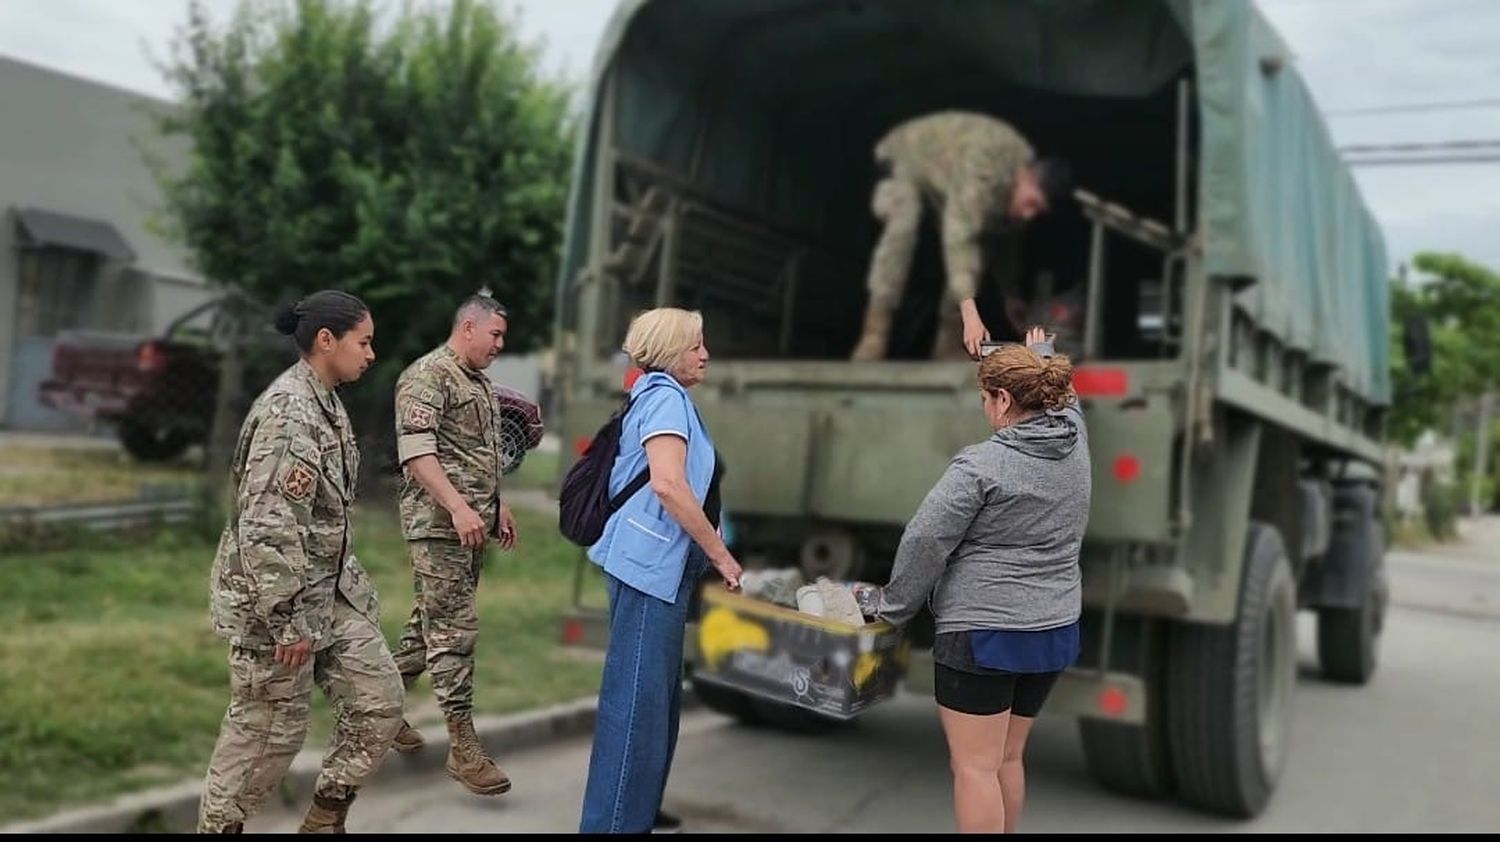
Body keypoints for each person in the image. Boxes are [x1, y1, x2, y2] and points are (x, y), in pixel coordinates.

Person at [858, 326, 1089, 834]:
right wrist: (1042, 353)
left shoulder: (981, 465)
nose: (986, 409)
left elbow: (925, 541)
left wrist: (892, 610)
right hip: (1053, 628)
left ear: (1003, 399)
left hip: (984, 634)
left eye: (987, 398)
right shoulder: (1075, 438)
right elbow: (1068, 398)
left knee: (974, 768)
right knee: (1007, 757)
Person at [198, 290, 402, 834]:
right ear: (326, 341)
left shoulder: (326, 402)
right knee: (267, 733)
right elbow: (266, 524)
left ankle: (323, 819)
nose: (371, 354)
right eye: (364, 342)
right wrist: (287, 620)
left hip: (327, 597)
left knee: (378, 701)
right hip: (276, 607)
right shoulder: (290, 413)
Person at [579, 307, 743, 834]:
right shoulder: (667, 399)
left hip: (656, 568)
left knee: (654, 707)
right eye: (696, 345)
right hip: (648, 570)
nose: (705, 354)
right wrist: (720, 552)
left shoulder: (662, 396)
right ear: (671, 351)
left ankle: (635, 815)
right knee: (636, 711)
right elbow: (669, 485)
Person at [388, 294, 518, 796]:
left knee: (430, 624)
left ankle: (378, 708)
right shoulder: (428, 376)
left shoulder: (478, 384)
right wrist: (459, 508)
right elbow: (418, 454)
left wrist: (495, 505)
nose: (500, 346)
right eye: (495, 335)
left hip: (469, 526)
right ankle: (463, 749)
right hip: (438, 525)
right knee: (455, 630)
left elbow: (478, 455)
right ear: (468, 326)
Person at [850, 111, 1073, 362]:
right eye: (1031, 203)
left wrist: (1009, 295)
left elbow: (1004, 246)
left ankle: (947, 346)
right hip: (902, 160)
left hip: (943, 183)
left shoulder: (1016, 196)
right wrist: (971, 317)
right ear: (1026, 177)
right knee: (905, 221)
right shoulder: (985, 169)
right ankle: (875, 333)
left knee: (978, 253)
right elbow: (958, 239)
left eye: (1038, 211)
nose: (1029, 215)